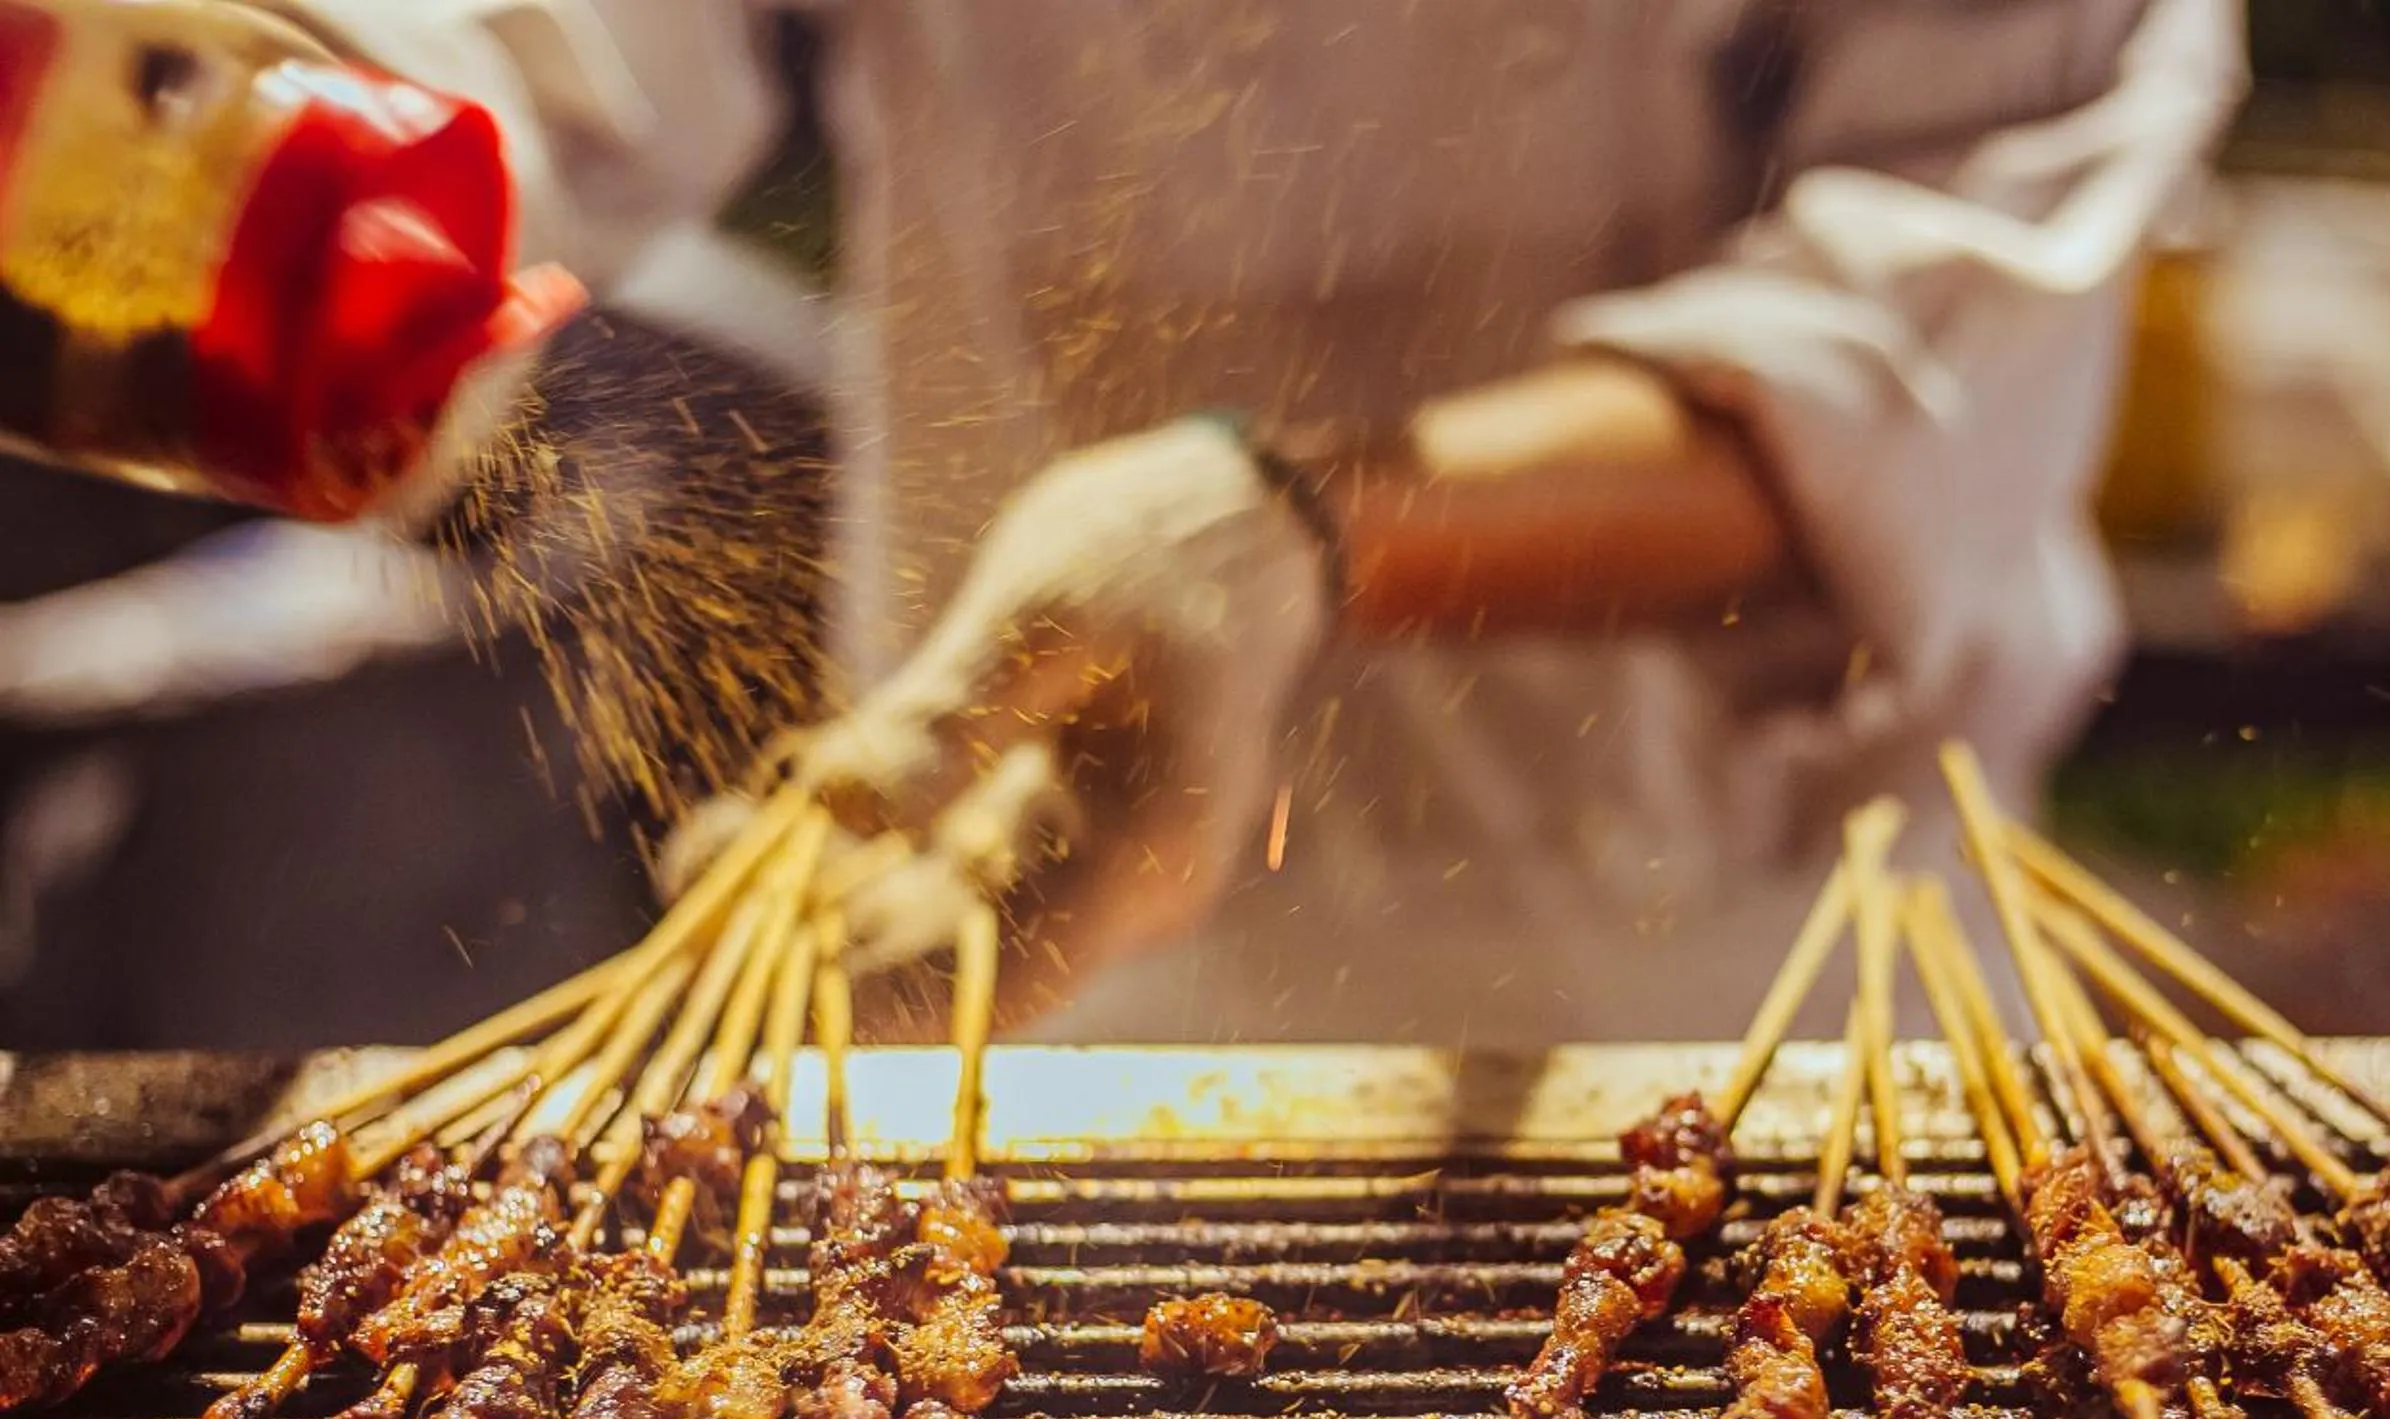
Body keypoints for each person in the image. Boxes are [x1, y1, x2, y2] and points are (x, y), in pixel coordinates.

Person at [13, 0, 2247, 1045]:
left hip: (1714, 1000)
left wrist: (1285, 530)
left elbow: (1911, 361)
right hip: (995, 937)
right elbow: (556, 36)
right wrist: (329, 129)